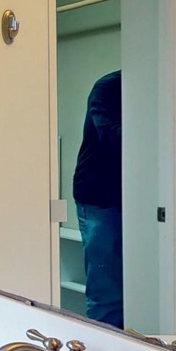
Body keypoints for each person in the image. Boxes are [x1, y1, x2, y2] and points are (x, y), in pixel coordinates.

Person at [70, 70, 123, 327]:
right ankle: (106, 345)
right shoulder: (110, 87)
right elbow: (111, 135)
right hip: (100, 197)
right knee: (107, 291)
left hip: (137, 197)